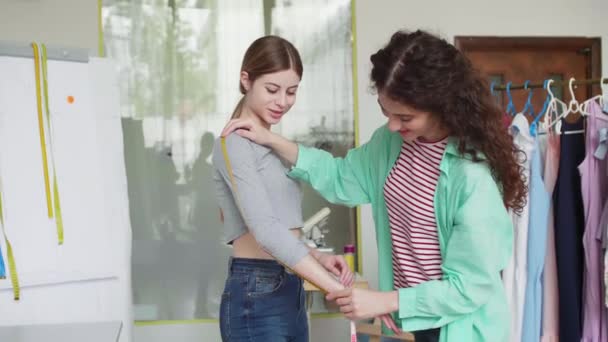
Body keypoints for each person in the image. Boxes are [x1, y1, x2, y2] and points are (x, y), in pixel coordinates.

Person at [222, 30, 526, 342]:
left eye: (405, 117)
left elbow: (469, 287)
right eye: (386, 111)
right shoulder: (391, 143)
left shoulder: (472, 177)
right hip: (406, 323)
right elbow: (340, 177)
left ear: (440, 106)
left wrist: (383, 301)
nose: (392, 125)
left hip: (456, 329)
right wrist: (271, 138)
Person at [212, 35, 354, 342]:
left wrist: (316, 256)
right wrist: (340, 291)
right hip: (255, 290)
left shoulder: (270, 144)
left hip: (287, 285)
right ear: (246, 80)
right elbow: (264, 231)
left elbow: (280, 224)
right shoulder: (233, 144)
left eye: (292, 91)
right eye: (272, 90)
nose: (283, 102)